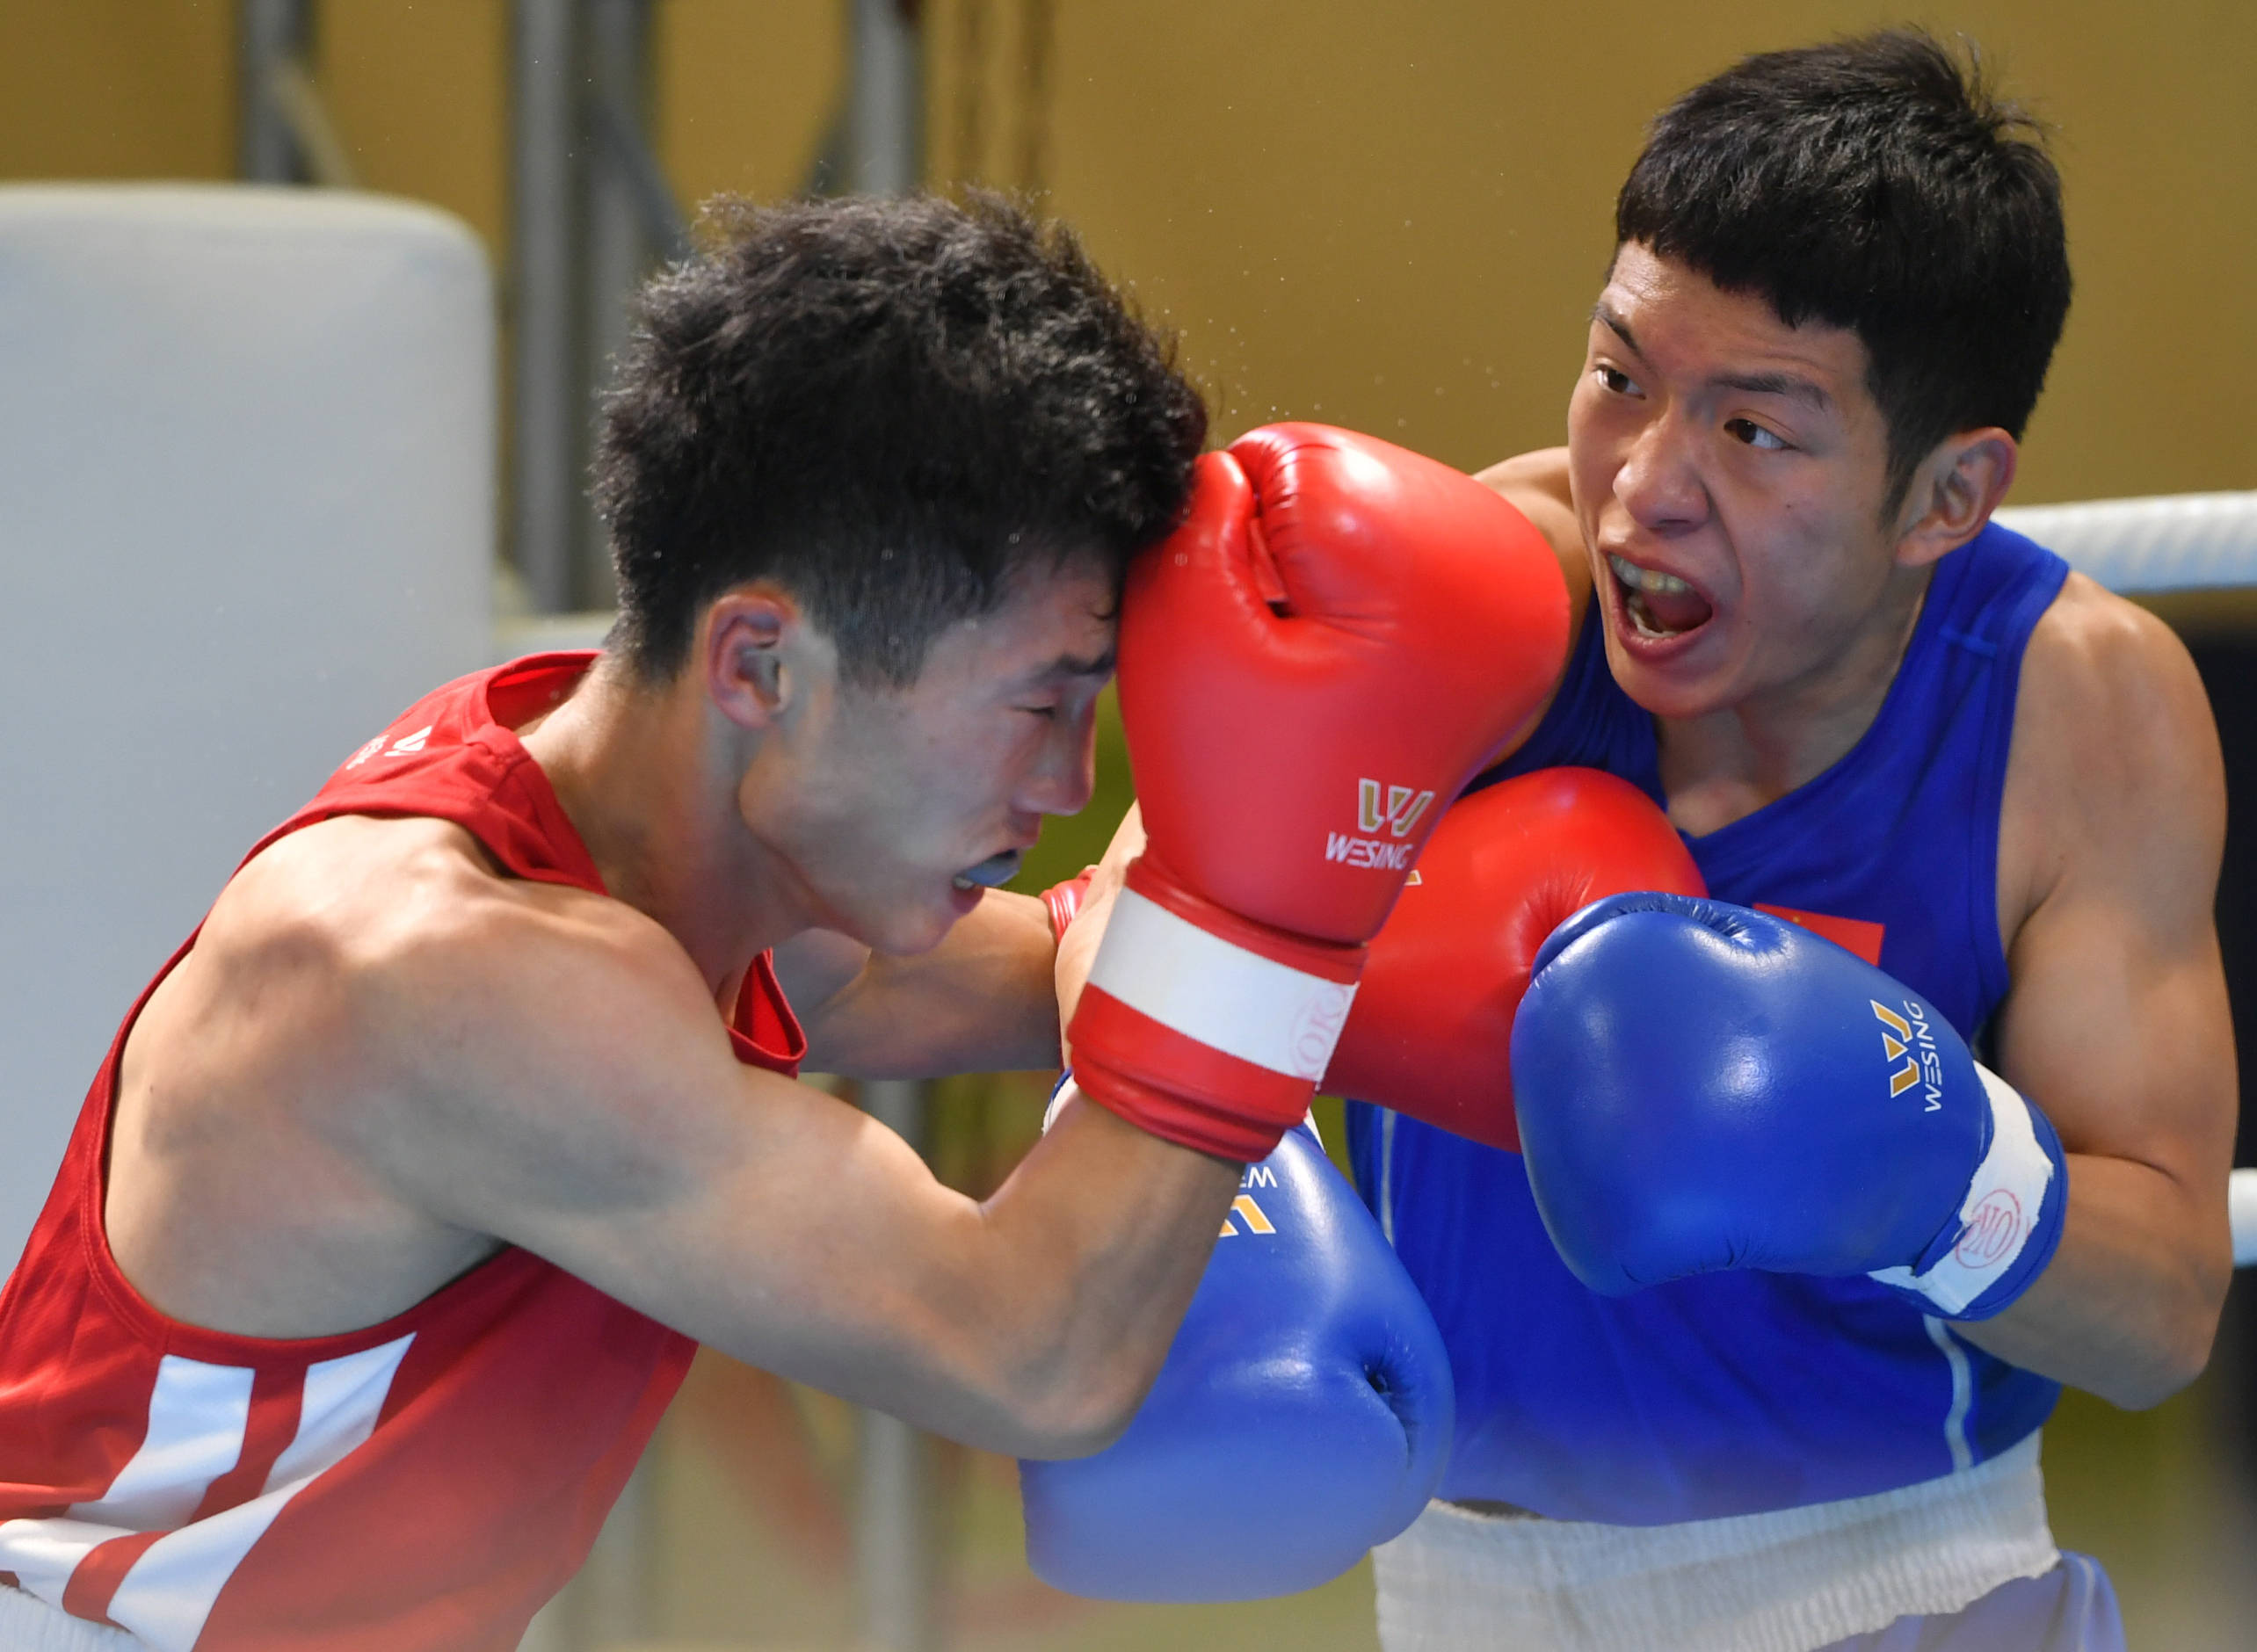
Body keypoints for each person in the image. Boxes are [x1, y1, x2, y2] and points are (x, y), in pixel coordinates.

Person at [0, 193, 1556, 1651]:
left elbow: (1059, 977)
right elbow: (1035, 1352)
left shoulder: (668, 847)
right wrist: (1258, 886)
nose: (1071, 779)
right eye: (1037, 700)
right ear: (762, 664)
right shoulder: (455, 981)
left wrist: (1288, 844)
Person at [1338, 31, 2235, 1651]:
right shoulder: (1482, 608)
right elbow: (1138, 934)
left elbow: (2164, 1304)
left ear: (1946, 497)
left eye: (1755, 432)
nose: (1646, 492)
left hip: (1914, 1585)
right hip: (1446, 1598)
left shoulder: (2071, 708)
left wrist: (1936, 1176)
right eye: (1621, 376)